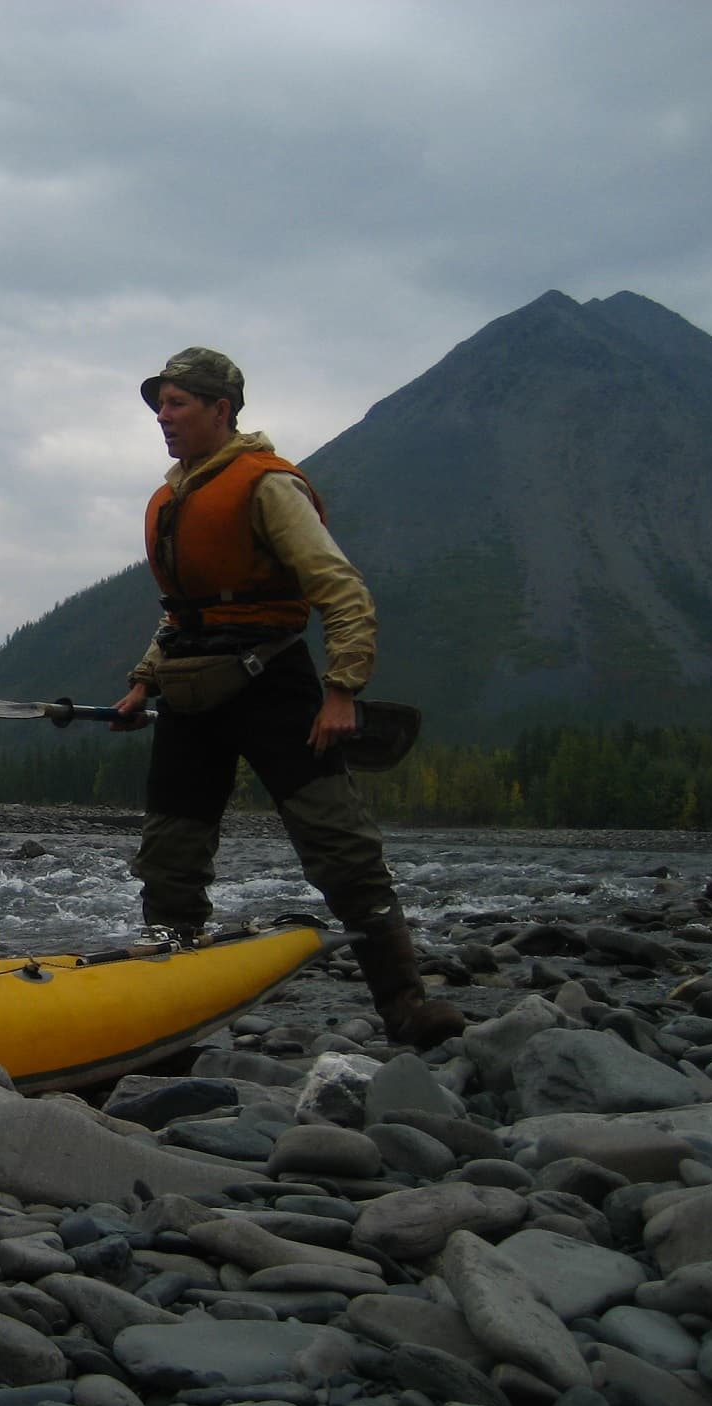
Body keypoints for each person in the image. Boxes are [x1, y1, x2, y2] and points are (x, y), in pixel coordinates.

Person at [110, 347, 462, 1049]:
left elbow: (340, 589)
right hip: (190, 687)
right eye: (160, 403)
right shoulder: (174, 495)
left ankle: (405, 1005)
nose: (163, 415)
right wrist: (144, 680)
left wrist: (341, 691)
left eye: (178, 403)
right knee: (170, 858)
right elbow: (182, 610)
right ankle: (170, 1009)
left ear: (222, 410)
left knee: (341, 847)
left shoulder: (268, 486)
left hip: (274, 685)